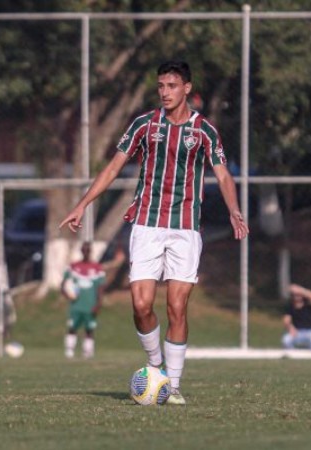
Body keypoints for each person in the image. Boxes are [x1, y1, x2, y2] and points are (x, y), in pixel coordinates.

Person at [59, 60, 249, 405]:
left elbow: (222, 175)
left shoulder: (203, 131)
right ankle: (155, 366)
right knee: (141, 304)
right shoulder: (144, 125)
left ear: (187, 88)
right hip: (146, 223)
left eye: (172, 86)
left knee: (177, 306)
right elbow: (114, 166)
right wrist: (82, 204)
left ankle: (172, 387)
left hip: (185, 229)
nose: (165, 92)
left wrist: (234, 208)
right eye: (161, 86)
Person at [61, 241, 106, 359]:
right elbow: (64, 284)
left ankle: (88, 352)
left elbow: (101, 288)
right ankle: (69, 351)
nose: (86, 252)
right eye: (84, 250)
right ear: (81, 251)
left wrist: (99, 303)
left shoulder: (97, 268)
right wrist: (67, 293)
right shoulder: (73, 266)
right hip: (76, 305)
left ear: (90, 251)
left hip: (90, 304)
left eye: (88, 250)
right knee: (72, 328)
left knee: (89, 330)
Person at [281, 284, 311, 349]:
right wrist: (290, 328)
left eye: (299, 294)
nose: (297, 296)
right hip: (296, 332)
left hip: (310, 332)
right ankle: (293, 356)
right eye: (295, 295)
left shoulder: (308, 304)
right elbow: (286, 320)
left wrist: (299, 290)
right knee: (286, 340)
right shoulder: (290, 306)